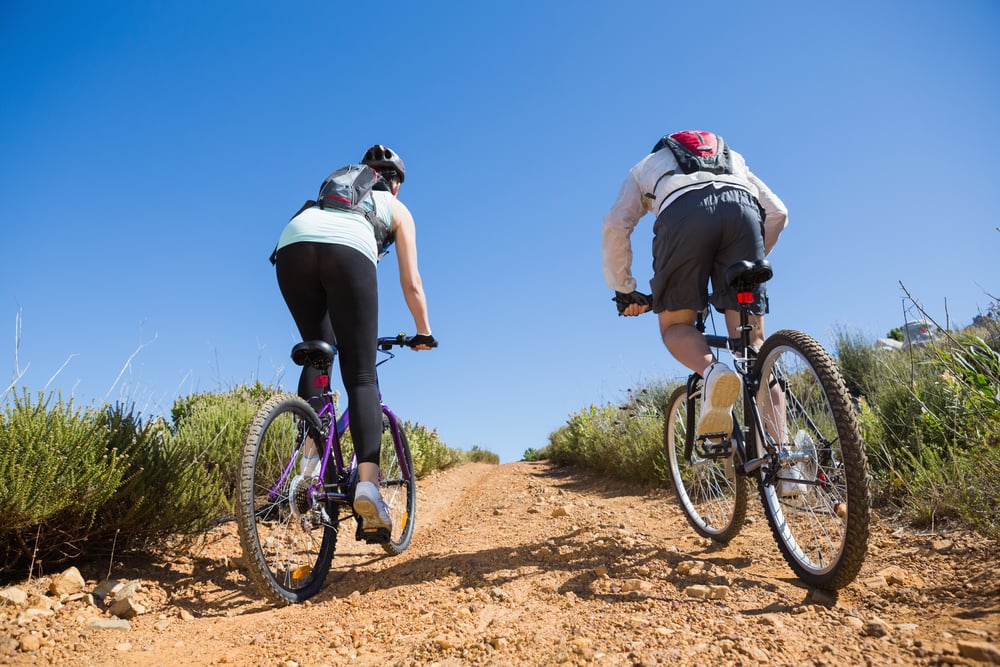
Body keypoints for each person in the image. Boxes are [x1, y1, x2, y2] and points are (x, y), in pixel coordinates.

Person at [272, 144, 436, 533]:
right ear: (394, 185)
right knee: (361, 375)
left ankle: (307, 475)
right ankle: (368, 486)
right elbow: (411, 283)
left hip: (292, 243)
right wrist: (424, 333)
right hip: (348, 250)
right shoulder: (396, 208)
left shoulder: (329, 198)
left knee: (319, 357)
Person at [602, 130, 788, 438]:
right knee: (753, 344)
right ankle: (786, 462)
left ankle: (714, 373)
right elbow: (778, 213)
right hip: (743, 211)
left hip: (683, 216)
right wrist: (737, 271)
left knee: (676, 327)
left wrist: (623, 288)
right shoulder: (734, 159)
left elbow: (615, 224)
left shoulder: (646, 166)